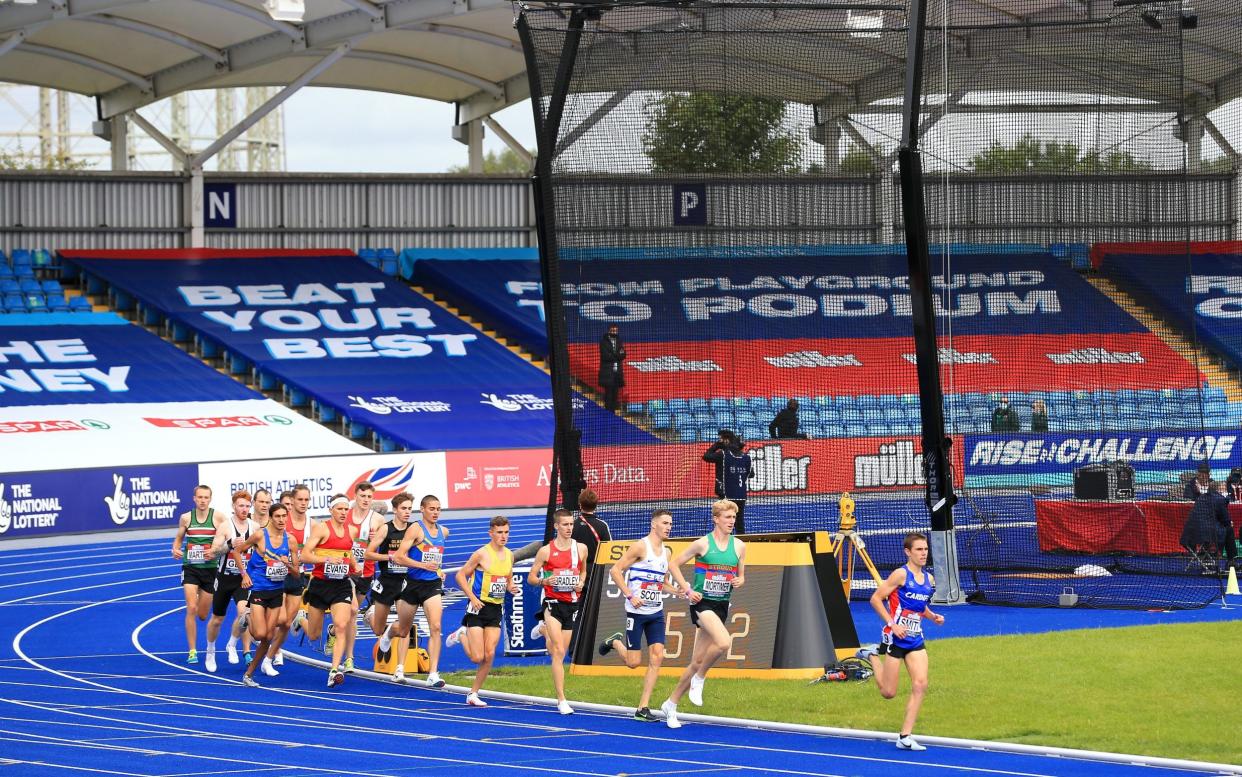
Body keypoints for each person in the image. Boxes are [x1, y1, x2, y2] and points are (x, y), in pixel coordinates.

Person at [659, 499, 746, 729]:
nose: (731, 522)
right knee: (724, 642)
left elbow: (742, 574)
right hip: (701, 603)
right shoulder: (702, 544)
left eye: (734, 518)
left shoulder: (739, 546)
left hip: (721, 605)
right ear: (716, 519)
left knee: (696, 661)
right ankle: (700, 678)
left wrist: (739, 580)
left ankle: (671, 704)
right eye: (727, 517)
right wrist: (687, 590)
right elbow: (673, 565)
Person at [856, 532, 945, 752]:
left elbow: (918, 606)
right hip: (895, 638)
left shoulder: (929, 580)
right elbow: (876, 598)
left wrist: (932, 616)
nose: (924, 554)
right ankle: (872, 656)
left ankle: (905, 736)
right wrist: (892, 624)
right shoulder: (900, 575)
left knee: (920, 684)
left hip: (915, 638)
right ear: (908, 552)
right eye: (919, 550)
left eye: (925, 549)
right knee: (888, 693)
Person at [599, 508, 677, 721]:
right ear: (654, 524)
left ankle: (643, 708)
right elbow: (615, 570)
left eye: (670, 523)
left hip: (656, 612)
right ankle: (615, 642)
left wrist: (678, 591)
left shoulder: (667, 552)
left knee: (657, 657)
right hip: (636, 612)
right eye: (665, 523)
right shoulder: (640, 546)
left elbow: (661, 583)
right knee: (633, 663)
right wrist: (630, 595)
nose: (669, 527)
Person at [447, 515, 518, 707]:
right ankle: (461, 634)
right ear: (491, 533)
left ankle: (473, 693)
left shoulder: (510, 555)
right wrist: (472, 597)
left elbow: (508, 576)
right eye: (499, 532)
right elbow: (460, 576)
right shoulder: (481, 554)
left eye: (506, 532)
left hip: (495, 608)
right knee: (477, 657)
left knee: (489, 654)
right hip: (477, 607)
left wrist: (510, 586)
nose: (504, 536)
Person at [527, 509, 587, 715]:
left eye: (571, 524)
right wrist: (545, 580)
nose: (569, 528)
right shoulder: (546, 551)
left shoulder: (581, 549)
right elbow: (531, 578)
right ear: (556, 526)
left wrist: (580, 582)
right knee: (559, 651)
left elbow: (583, 571)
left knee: (555, 651)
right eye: (565, 525)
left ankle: (543, 630)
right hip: (552, 602)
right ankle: (561, 699)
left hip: (571, 603)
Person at [232, 502, 298, 687]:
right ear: (270, 517)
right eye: (277, 516)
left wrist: (287, 564)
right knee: (260, 634)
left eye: (284, 516)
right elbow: (237, 551)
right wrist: (244, 574)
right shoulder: (260, 535)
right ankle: (246, 616)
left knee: (268, 637)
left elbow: (297, 573)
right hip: (259, 589)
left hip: (277, 593)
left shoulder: (290, 540)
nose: (282, 520)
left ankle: (249, 675)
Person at [388, 494, 450, 688]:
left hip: (432, 585)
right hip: (412, 584)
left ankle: (433, 673)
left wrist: (438, 570)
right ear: (422, 509)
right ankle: (399, 666)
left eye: (438, 509)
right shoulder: (416, 529)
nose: (436, 513)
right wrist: (423, 565)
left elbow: (435, 559)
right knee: (405, 629)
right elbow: (398, 557)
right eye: (432, 509)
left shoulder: (443, 531)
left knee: (436, 627)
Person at [299, 494, 361, 687]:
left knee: (342, 625)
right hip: (319, 584)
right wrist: (326, 560)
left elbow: (347, 551)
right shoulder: (321, 528)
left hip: (341, 584)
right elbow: (304, 555)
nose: (343, 513)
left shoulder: (351, 530)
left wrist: (354, 565)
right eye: (340, 509)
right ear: (331, 510)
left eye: (346, 509)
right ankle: (300, 618)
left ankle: (334, 671)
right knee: (314, 635)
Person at [203, 490, 257, 672]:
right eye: (241, 505)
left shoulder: (255, 527)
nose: (244, 509)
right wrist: (229, 545)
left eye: (247, 506)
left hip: (243, 578)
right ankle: (210, 651)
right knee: (217, 618)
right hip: (224, 578)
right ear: (233, 506)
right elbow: (213, 552)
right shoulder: (226, 527)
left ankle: (232, 644)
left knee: (245, 614)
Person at [363, 491, 414, 681]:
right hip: (386, 581)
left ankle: (399, 668)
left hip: (405, 582)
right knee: (378, 629)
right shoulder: (385, 529)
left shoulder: (414, 529)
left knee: (405, 626)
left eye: (409, 508)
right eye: (403, 508)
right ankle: (381, 628)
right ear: (395, 510)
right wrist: (390, 557)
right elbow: (368, 554)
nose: (407, 512)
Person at [171, 484, 220, 664]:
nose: (202, 500)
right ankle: (192, 650)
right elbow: (178, 539)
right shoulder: (185, 518)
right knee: (191, 608)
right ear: (194, 498)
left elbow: (225, 540)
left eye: (206, 497)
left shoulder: (218, 517)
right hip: (190, 567)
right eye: (199, 497)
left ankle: (200, 599)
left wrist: (215, 550)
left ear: (210, 499)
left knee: (202, 614)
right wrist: (175, 549)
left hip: (210, 569)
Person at [344, 481, 385, 674]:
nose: (366, 500)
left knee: (350, 615)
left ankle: (334, 631)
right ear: (355, 496)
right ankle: (349, 659)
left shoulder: (377, 520)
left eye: (369, 497)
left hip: (366, 572)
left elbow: (384, 544)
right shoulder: (346, 516)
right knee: (352, 611)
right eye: (362, 496)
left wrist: (377, 537)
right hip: (346, 572)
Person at [270, 485, 310, 667]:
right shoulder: (282, 521)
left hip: (297, 575)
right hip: (278, 575)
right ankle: (275, 653)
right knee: (279, 617)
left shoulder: (313, 524)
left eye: (306, 500)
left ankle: (274, 650)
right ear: (291, 501)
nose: (303, 503)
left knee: (285, 622)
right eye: (300, 499)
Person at [702, 430, 752, 533]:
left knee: (723, 522)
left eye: (720, 439)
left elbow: (706, 456)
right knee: (739, 522)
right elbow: (751, 474)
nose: (719, 441)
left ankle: (724, 545)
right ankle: (741, 543)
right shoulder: (746, 457)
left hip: (726, 495)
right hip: (741, 494)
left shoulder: (723, 455)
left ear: (726, 440)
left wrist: (716, 445)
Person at [1180, 481, 1238, 568]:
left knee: (1214, 527)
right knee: (1229, 529)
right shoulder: (1220, 499)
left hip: (1190, 533)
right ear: (1218, 489)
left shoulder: (1201, 498)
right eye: (1224, 487)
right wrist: (1229, 523)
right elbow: (1225, 520)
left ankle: (1206, 554)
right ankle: (1231, 560)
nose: (1225, 489)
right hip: (1207, 533)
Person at [572, 488, 612, 569]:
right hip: (596, 571)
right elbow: (609, 550)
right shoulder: (603, 525)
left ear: (580, 505)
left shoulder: (572, 525)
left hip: (577, 570)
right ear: (596, 505)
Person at [598, 323, 625, 412]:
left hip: (617, 373)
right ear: (609, 331)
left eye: (616, 331)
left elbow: (623, 354)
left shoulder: (619, 341)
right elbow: (606, 356)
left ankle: (613, 413)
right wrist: (617, 355)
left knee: (615, 394)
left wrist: (615, 355)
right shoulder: (603, 342)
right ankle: (608, 412)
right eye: (613, 331)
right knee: (608, 394)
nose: (615, 332)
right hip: (608, 373)